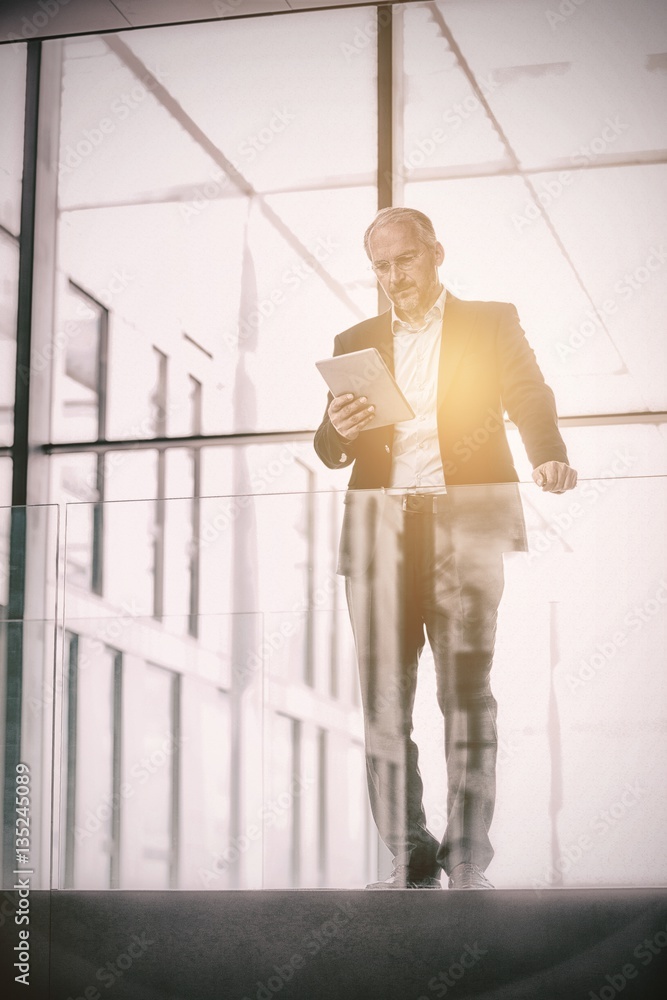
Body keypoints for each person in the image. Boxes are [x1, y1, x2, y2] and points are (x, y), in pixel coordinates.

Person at [314, 207, 577, 890]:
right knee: (381, 703)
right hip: (378, 528)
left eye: (404, 260)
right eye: (380, 266)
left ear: (434, 253)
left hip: (466, 521)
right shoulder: (356, 338)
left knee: (465, 697)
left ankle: (465, 856)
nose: (393, 276)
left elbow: (527, 391)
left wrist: (546, 454)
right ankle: (409, 854)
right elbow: (328, 446)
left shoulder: (489, 321)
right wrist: (338, 430)